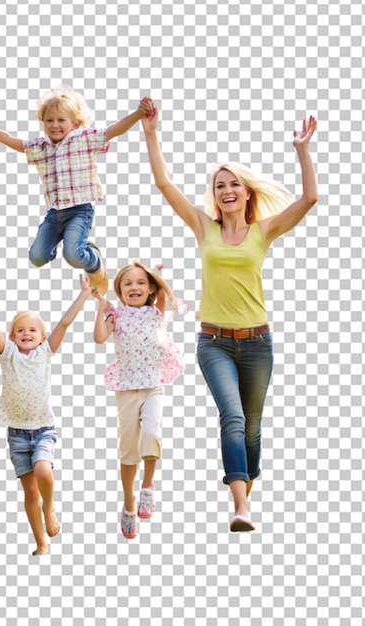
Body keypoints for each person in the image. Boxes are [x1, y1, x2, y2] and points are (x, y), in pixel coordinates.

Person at [142, 106, 317, 531]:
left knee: (252, 429)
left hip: (258, 344)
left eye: (233, 183)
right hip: (214, 342)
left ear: (246, 192)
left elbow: (309, 198)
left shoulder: (263, 231)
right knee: (233, 418)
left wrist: (302, 151)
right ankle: (241, 507)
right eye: (219, 186)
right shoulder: (205, 229)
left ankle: (246, 489)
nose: (225, 190)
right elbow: (165, 183)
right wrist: (151, 133)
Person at [0, 274, 92, 555]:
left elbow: (64, 322)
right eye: (20, 330)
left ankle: (49, 507)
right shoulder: (7, 354)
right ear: (13, 337)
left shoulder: (45, 353)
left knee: (43, 472)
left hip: (43, 429)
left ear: (41, 338)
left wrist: (84, 295)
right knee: (30, 493)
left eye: (33, 331)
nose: (27, 334)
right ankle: (41, 544)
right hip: (16, 433)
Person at [0, 86, 155, 294]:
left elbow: (116, 129)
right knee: (36, 257)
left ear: (75, 123)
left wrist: (139, 113)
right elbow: (10, 140)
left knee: (73, 255)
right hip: (54, 214)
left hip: (79, 211)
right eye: (49, 120)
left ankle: (94, 261)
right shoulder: (40, 147)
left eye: (60, 120)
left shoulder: (83, 139)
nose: (54, 125)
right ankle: (67, 246)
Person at [92, 261, 186, 538]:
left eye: (141, 283)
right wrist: (101, 307)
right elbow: (99, 338)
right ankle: (129, 501)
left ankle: (148, 486)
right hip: (126, 389)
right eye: (127, 283)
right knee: (129, 450)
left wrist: (150, 271)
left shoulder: (157, 312)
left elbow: (165, 292)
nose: (134, 287)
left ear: (150, 289)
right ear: (119, 292)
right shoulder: (117, 315)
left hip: (153, 385)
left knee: (151, 431)